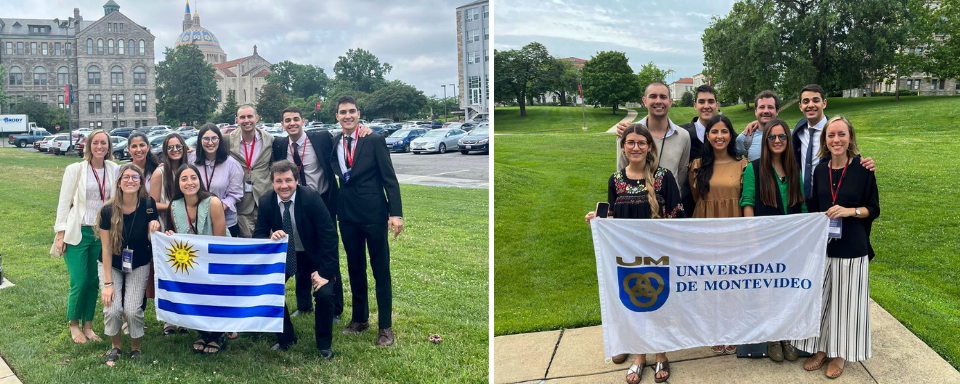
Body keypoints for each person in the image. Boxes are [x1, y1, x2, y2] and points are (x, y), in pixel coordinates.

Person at [585, 123, 684, 384]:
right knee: (633, 304)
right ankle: (639, 356)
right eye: (631, 142)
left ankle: (661, 353)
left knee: (659, 303)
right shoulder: (616, 180)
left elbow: (677, 216)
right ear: (623, 147)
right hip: (626, 257)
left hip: (658, 254)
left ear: (649, 146)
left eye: (642, 142)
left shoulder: (664, 177)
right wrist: (597, 220)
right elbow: (613, 218)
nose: (636, 147)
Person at [795, 116, 879, 379]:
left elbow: (873, 210)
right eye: (831, 136)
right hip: (824, 247)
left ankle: (840, 353)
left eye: (841, 135)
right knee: (822, 302)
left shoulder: (863, 170)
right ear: (825, 140)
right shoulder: (820, 169)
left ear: (850, 138)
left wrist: (850, 211)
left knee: (846, 305)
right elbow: (814, 205)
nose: (836, 140)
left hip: (853, 247)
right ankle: (820, 349)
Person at [330, 96, 403, 347]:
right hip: (347, 216)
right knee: (355, 268)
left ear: (358, 114)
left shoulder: (373, 140)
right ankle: (359, 319)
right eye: (342, 112)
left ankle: (385, 327)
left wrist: (396, 213)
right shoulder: (334, 141)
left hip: (374, 215)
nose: (347, 116)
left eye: (351, 111)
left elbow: (389, 179)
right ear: (336, 116)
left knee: (380, 271)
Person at [253, 161, 340, 359]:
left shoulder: (310, 197)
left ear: (296, 180)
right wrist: (270, 237)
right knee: (268, 288)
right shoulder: (266, 201)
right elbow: (257, 236)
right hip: (285, 256)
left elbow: (329, 235)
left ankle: (324, 344)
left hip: (313, 255)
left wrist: (325, 273)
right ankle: (285, 337)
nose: (284, 185)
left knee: (325, 294)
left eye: (288, 180)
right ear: (272, 183)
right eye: (278, 181)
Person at [740, 119, 806, 362]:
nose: (777, 141)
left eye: (782, 137)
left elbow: (803, 203)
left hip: (791, 241)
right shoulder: (753, 169)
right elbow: (747, 203)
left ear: (788, 141)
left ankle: (786, 334)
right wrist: (753, 240)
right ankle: (772, 336)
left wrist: (806, 235)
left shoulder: (793, 168)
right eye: (772, 137)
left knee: (787, 289)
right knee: (767, 290)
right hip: (765, 241)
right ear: (765, 141)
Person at [271, 107, 342, 320]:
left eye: (295, 119)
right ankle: (304, 304)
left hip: (321, 204)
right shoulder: (280, 144)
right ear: (282, 124)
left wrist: (363, 129)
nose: (292, 123)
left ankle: (335, 307)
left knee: (328, 253)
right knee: (299, 252)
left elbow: (344, 139)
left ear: (303, 121)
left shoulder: (321, 138)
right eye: (287, 120)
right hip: (296, 204)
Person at [54, 129, 117, 344]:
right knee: (79, 281)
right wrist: (60, 234)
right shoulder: (75, 169)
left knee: (92, 282)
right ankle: (74, 325)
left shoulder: (113, 169)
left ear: (109, 147)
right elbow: (64, 203)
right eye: (96, 143)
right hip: (78, 231)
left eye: (104, 143)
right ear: (89, 145)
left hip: (101, 233)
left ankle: (88, 326)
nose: (100, 147)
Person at [97, 164, 161, 366]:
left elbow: (153, 240)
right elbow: (106, 248)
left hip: (139, 263)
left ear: (141, 182)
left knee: (133, 309)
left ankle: (136, 348)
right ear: (119, 182)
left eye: (135, 177)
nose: (131, 180)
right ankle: (115, 346)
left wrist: (155, 229)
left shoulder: (149, 205)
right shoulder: (108, 210)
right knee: (113, 308)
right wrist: (108, 284)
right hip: (112, 264)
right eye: (126, 177)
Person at [164, 164, 229, 354]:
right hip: (192, 261)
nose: (189, 182)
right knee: (196, 294)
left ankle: (217, 335)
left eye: (193, 178)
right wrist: (170, 237)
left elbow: (220, 238)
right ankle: (202, 332)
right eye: (184, 179)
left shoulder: (213, 202)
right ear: (178, 184)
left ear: (200, 181)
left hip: (217, 257)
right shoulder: (174, 206)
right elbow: (178, 240)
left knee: (214, 296)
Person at [615, 82, 691, 206]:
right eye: (653, 96)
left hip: (670, 205)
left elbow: (682, 173)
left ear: (671, 102)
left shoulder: (683, 136)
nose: (658, 101)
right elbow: (621, 171)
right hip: (636, 205)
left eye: (663, 97)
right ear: (644, 101)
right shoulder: (628, 133)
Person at [149, 133, 193, 337]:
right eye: (171, 148)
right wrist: (174, 208)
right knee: (166, 272)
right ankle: (168, 321)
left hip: (185, 225)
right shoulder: (160, 172)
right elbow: (152, 202)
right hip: (166, 224)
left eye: (179, 147)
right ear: (165, 151)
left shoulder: (189, 170)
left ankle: (183, 319)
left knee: (184, 272)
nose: (175, 151)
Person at [224, 105, 275, 238]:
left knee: (268, 243)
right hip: (242, 203)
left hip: (265, 198)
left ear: (256, 118)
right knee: (247, 245)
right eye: (242, 117)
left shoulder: (269, 139)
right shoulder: (228, 141)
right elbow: (208, 148)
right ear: (237, 120)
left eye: (250, 116)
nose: (246, 120)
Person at [195, 124, 244, 237]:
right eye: (206, 138)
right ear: (200, 140)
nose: (210, 142)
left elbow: (235, 194)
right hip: (198, 221)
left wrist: (216, 210)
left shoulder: (231, 164)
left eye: (214, 138)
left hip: (225, 221)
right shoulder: (192, 161)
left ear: (220, 140)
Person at [736, 90, 780, 161]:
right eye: (762, 107)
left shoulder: (789, 135)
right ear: (755, 111)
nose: (766, 111)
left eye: (770, 107)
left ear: (777, 111)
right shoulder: (744, 139)